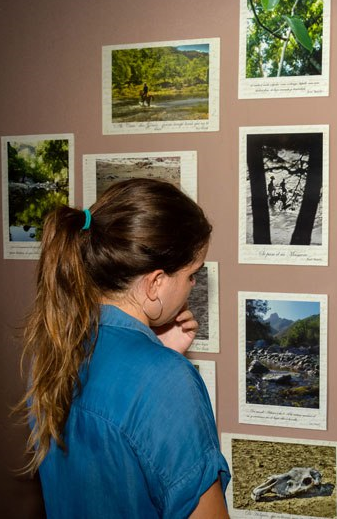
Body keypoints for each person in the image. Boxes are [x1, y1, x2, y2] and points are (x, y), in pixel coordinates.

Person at [16, 178, 230, 518]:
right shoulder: (168, 381)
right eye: (193, 274)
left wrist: (158, 354)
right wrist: (163, 368)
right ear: (156, 282)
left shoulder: (54, 351)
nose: (192, 285)